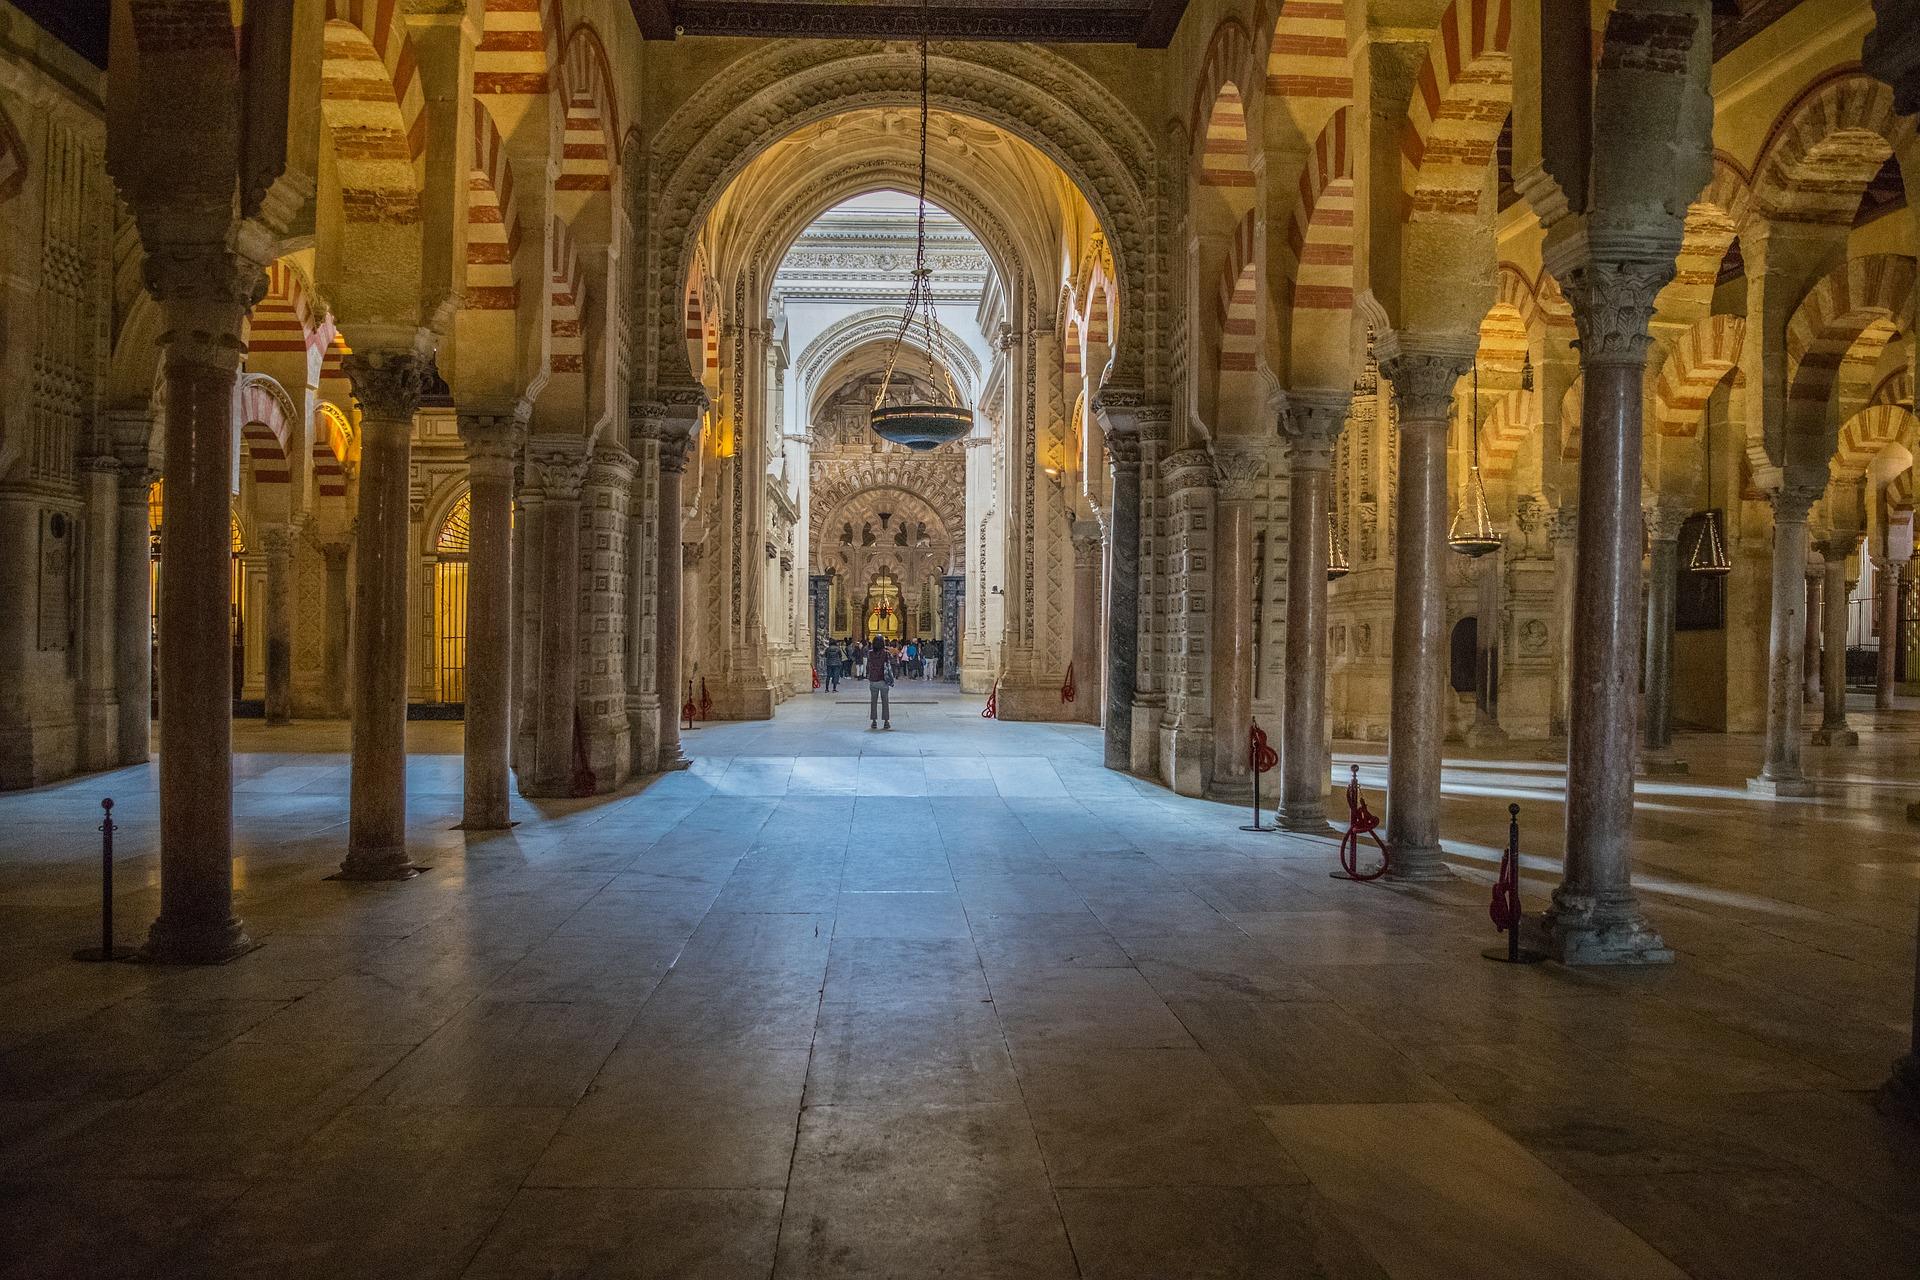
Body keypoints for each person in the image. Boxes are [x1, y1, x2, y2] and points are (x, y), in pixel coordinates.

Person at [864, 639, 893, 730]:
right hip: (883, 680)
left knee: (873, 701)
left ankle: (874, 721)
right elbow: (889, 665)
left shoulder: (870, 653)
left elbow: (868, 665)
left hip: (873, 680)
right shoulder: (886, 653)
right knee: (885, 701)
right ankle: (886, 722)